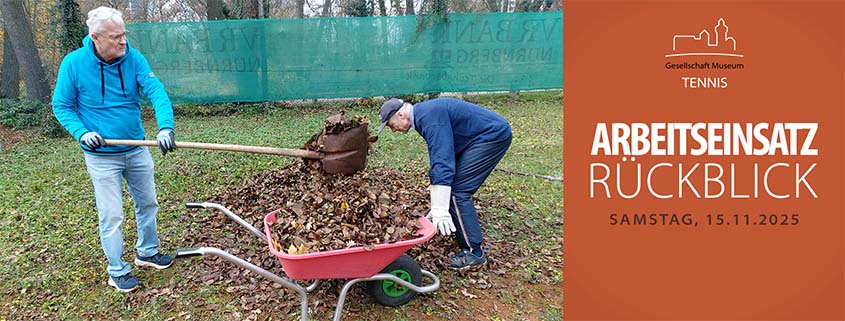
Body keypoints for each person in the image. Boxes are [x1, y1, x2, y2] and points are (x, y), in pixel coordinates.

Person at [52, 6, 177, 292]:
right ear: (95, 37)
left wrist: (165, 127)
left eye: (124, 35)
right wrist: (82, 133)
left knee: (148, 203)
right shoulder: (73, 64)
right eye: (115, 37)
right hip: (101, 157)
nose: (123, 41)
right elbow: (61, 105)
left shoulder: (133, 58)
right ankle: (117, 270)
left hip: (136, 148)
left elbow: (156, 91)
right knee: (112, 215)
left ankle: (147, 252)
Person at [377, 97, 512, 269]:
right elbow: (442, 154)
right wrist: (437, 201)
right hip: (476, 138)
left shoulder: (429, 117)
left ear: (401, 114)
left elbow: (442, 159)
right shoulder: (424, 114)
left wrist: (440, 207)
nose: (393, 130)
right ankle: (457, 224)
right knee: (450, 186)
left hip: (491, 136)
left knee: (458, 192)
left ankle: (474, 252)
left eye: (390, 124)